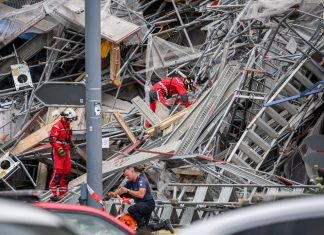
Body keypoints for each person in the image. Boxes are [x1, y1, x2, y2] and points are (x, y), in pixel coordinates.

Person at [107, 167, 174, 233]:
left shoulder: (141, 181)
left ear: (132, 171)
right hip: (141, 206)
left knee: (131, 209)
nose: (127, 177)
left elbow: (141, 194)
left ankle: (142, 226)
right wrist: (114, 194)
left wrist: (127, 191)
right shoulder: (129, 182)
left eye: (127, 175)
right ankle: (165, 224)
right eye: (125, 176)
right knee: (144, 230)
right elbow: (122, 190)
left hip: (148, 204)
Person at [48, 108, 77, 201]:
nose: (72, 121)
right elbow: (52, 139)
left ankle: (62, 193)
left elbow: (68, 137)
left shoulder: (67, 125)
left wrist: (71, 144)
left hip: (66, 149)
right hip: (58, 151)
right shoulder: (57, 126)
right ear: (66, 117)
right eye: (71, 119)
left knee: (66, 171)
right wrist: (59, 149)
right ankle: (53, 193)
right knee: (58, 171)